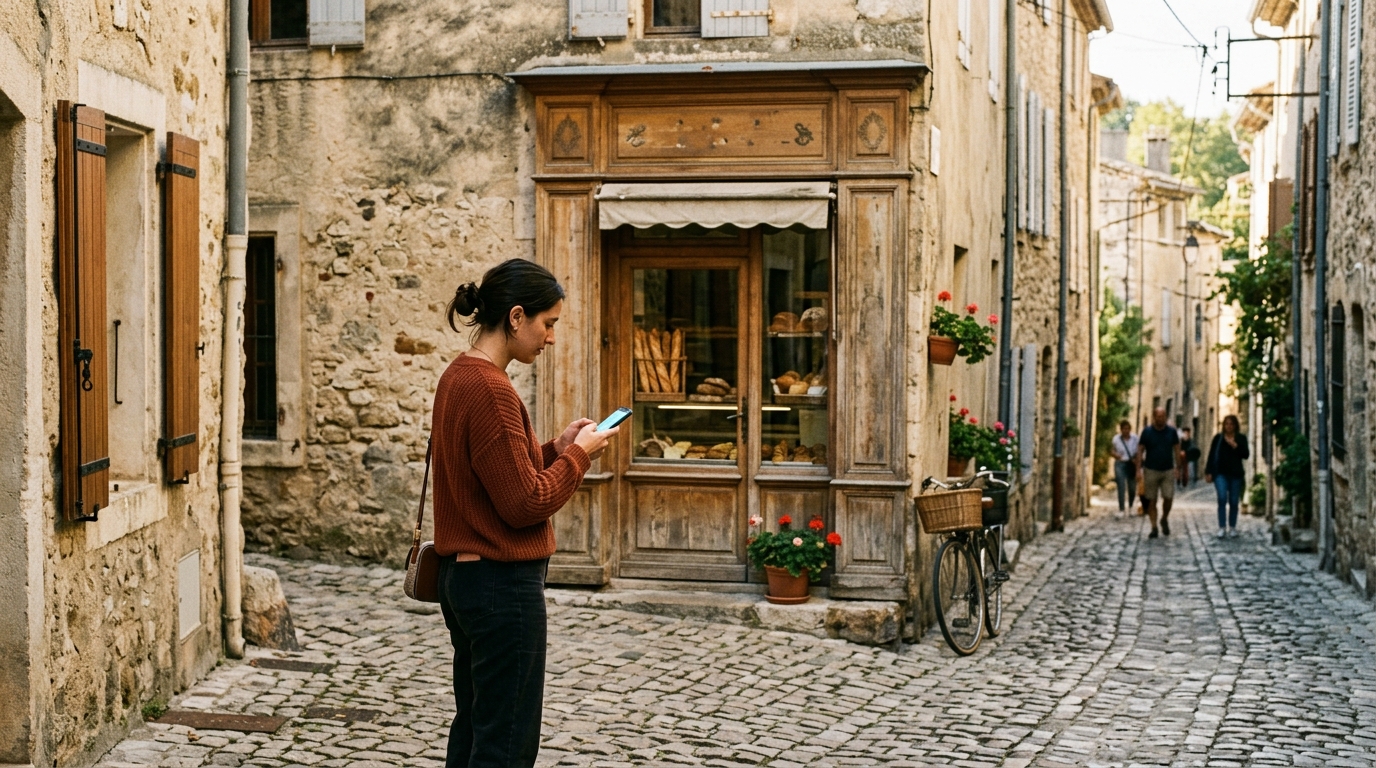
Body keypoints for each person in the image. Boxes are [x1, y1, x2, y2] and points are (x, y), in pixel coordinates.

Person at [431, 258, 622, 768]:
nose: (551, 338)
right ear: (516, 317)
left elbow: (492, 474)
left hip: (465, 580)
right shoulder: (492, 389)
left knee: (475, 728)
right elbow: (525, 503)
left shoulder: (458, 375)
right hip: (500, 586)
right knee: (506, 743)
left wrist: (554, 449)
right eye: (548, 324)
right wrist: (579, 457)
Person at [1136, 407, 1183, 538]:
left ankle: (1164, 518)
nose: (1160, 419)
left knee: (1168, 497)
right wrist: (1138, 469)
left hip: (1167, 469)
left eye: (1163, 416)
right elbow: (1140, 450)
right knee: (1151, 500)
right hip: (1151, 469)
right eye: (1158, 416)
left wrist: (1178, 468)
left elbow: (1177, 449)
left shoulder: (1171, 432)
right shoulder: (1147, 432)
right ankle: (1154, 526)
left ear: (1166, 417)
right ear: (1154, 417)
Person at [1204, 414, 1250, 539]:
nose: (1229, 426)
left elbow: (1246, 454)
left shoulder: (1240, 438)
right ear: (1224, 426)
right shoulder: (1218, 439)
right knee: (1222, 498)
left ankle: (1233, 527)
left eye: (1231, 424)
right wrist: (1208, 472)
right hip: (1220, 473)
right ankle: (1222, 527)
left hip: (1236, 474)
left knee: (1234, 501)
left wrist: (1235, 446)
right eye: (1227, 424)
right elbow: (1212, 455)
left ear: (1235, 426)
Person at [1110, 420, 1139, 514]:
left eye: (1127, 429)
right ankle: (1121, 508)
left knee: (1132, 487)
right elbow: (1111, 451)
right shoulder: (1116, 439)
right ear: (1121, 429)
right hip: (1120, 464)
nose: (1126, 431)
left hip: (1131, 464)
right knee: (1121, 486)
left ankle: (1131, 506)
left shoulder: (1135, 438)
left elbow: (1139, 451)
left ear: (1130, 429)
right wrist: (1116, 455)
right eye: (1124, 429)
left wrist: (1137, 460)